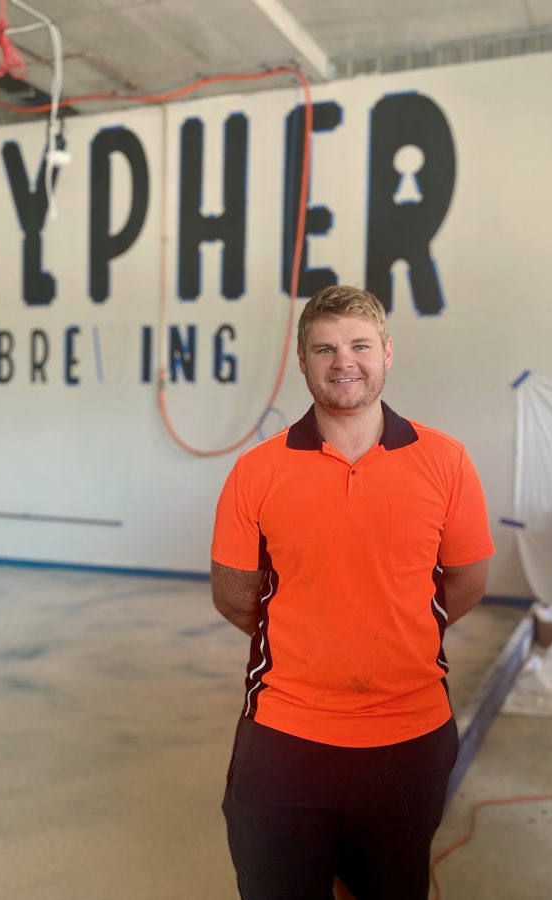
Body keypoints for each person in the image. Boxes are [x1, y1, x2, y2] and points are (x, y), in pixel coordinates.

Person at [210, 284, 495, 900]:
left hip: (410, 736)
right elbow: (234, 594)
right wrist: (317, 637)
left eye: (360, 345)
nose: (345, 361)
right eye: (325, 348)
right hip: (285, 733)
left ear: (387, 353)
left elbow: (468, 580)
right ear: (303, 361)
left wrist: (396, 628)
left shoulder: (445, 460)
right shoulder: (257, 471)